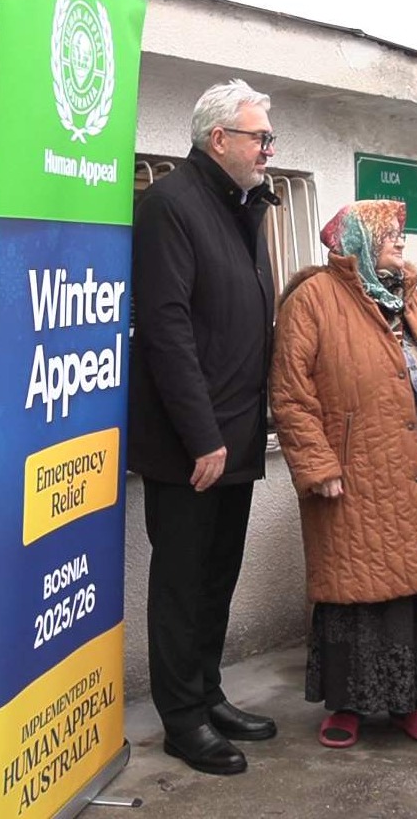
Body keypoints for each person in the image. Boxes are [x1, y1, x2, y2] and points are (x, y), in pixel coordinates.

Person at [271, 199, 417, 749]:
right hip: (355, 474)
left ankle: (408, 703)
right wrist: (317, 463)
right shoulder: (313, 301)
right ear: (357, 244)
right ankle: (345, 705)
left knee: (416, 589)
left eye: (400, 234)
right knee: (357, 590)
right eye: (387, 234)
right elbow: (291, 394)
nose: (400, 241)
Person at [128, 79, 281, 775]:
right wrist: (203, 437)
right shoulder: (171, 204)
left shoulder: (241, 206)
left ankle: (209, 694)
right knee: (183, 583)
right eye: (260, 138)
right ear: (218, 139)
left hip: (239, 436)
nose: (268, 151)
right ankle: (182, 718)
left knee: (218, 576)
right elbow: (165, 331)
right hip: (194, 445)